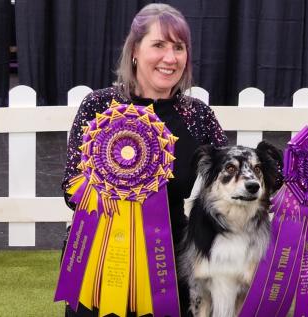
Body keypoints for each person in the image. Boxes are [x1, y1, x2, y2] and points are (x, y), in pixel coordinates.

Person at [61, 3, 228, 316]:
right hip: (97, 257)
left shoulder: (198, 116)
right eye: (159, 45)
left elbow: (230, 179)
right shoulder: (97, 106)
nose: (170, 57)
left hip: (171, 261)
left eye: (179, 47)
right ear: (135, 50)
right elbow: (71, 187)